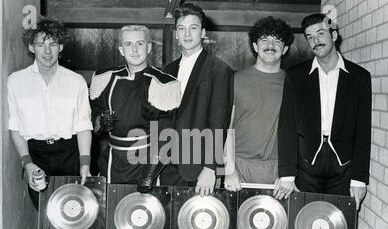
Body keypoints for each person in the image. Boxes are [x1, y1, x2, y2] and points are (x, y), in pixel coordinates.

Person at [274, 13, 371, 210]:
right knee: (303, 225)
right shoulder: (296, 76)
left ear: (334, 36)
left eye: (320, 33)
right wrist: (287, 174)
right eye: (310, 37)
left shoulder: (359, 77)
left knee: (339, 227)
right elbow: (287, 127)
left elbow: (363, 131)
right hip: (306, 165)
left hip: (344, 166)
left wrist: (359, 180)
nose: (315, 41)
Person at [8, 18, 93, 209]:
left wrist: (85, 164)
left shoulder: (76, 81)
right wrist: (27, 164)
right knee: (46, 215)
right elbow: (15, 127)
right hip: (36, 155)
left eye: (53, 44)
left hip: (69, 154)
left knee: (73, 214)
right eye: (41, 44)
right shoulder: (15, 81)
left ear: (61, 47)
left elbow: (83, 125)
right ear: (31, 47)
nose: (47, 51)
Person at [89, 25, 180, 186]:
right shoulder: (105, 78)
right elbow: (95, 112)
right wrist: (100, 122)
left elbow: (166, 135)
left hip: (146, 161)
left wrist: (149, 175)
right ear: (121, 49)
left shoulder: (164, 83)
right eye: (128, 44)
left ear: (149, 47)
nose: (135, 50)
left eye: (140, 43)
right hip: (112, 161)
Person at [161, 2, 234, 196]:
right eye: (181, 29)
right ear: (176, 33)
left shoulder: (219, 70)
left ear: (202, 32)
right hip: (167, 167)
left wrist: (210, 168)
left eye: (193, 28)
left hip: (199, 169)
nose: (187, 34)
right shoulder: (167, 71)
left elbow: (219, 123)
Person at [224, 16, 294, 192]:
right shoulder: (235, 80)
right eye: (264, 40)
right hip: (240, 167)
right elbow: (226, 128)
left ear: (285, 49)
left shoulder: (293, 84)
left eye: (277, 41)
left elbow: (298, 134)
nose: (270, 45)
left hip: (278, 170)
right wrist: (230, 170)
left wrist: (288, 173)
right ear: (255, 46)